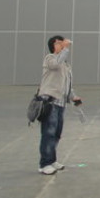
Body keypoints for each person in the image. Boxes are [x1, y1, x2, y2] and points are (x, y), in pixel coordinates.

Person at [38, 35, 82, 175]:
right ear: (53, 46)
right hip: (50, 102)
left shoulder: (65, 64)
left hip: (61, 103)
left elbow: (67, 83)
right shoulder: (50, 58)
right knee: (48, 133)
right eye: (59, 43)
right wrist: (66, 49)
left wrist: (73, 96)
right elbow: (55, 64)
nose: (62, 45)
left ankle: (52, 160)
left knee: (56, 133)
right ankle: (44, 163)